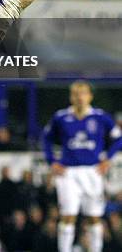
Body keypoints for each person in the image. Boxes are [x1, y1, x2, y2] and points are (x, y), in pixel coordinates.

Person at [43, 80, 122, 252]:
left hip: (92, 172)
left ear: (90, 96)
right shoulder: (61, 117)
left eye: (83, 93)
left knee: (94, 217)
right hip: (68, 173)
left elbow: (118, 138)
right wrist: (52, 161)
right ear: (71, 97)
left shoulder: (100, 117)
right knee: (68, 215)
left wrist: (107, 159)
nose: (80, 97)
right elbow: (46, 138)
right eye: (76, 94)